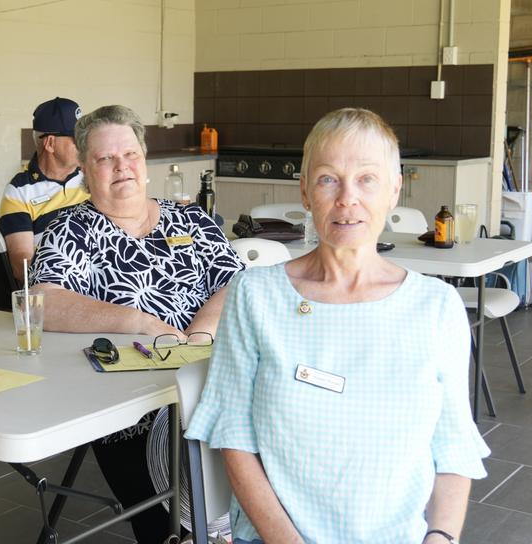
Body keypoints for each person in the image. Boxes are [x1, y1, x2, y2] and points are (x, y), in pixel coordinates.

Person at [186, 108, 488, 544]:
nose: (348, 198)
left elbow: (454, 447)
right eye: (328, 178)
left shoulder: (437, 307)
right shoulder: (255, 296)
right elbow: (233, 436)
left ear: (394, 190)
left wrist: (440, 537)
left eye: (367, 178)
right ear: (306, 192)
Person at [30, 104, 244, 544]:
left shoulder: (192, 219)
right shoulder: (70, 230)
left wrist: (202, 330)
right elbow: (43, 301)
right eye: (105, 159)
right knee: (174, 509)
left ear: (145, 162)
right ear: (86, 171)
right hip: (132, 404)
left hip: (213, 383)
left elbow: (236, 283)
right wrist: (140, 321)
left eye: (129, 155)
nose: (121, 167)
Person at [0, 96, 90, 282]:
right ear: (50, 143)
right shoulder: (19, 192)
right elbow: (22, 268)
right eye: (77, 138)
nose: (85, 144)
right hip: (60, 286)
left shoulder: (92, 176)